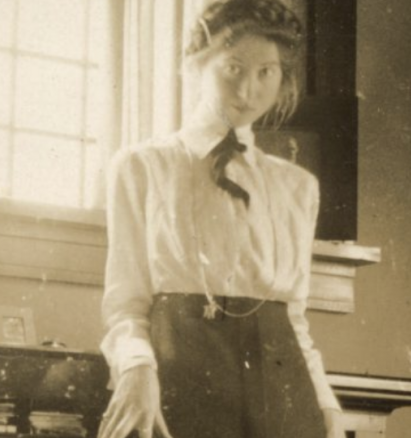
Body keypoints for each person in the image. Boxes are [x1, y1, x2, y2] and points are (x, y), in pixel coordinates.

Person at [97, 1, 344, 437]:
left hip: (281, 391)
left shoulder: (298, 187)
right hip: (182, 378)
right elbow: (127, 303)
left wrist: (327, 408)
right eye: (234, 68)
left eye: (266, 72)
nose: (248, 90)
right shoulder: (141, 167)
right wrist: (136, 370)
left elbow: (295, 320)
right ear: (195, 65)